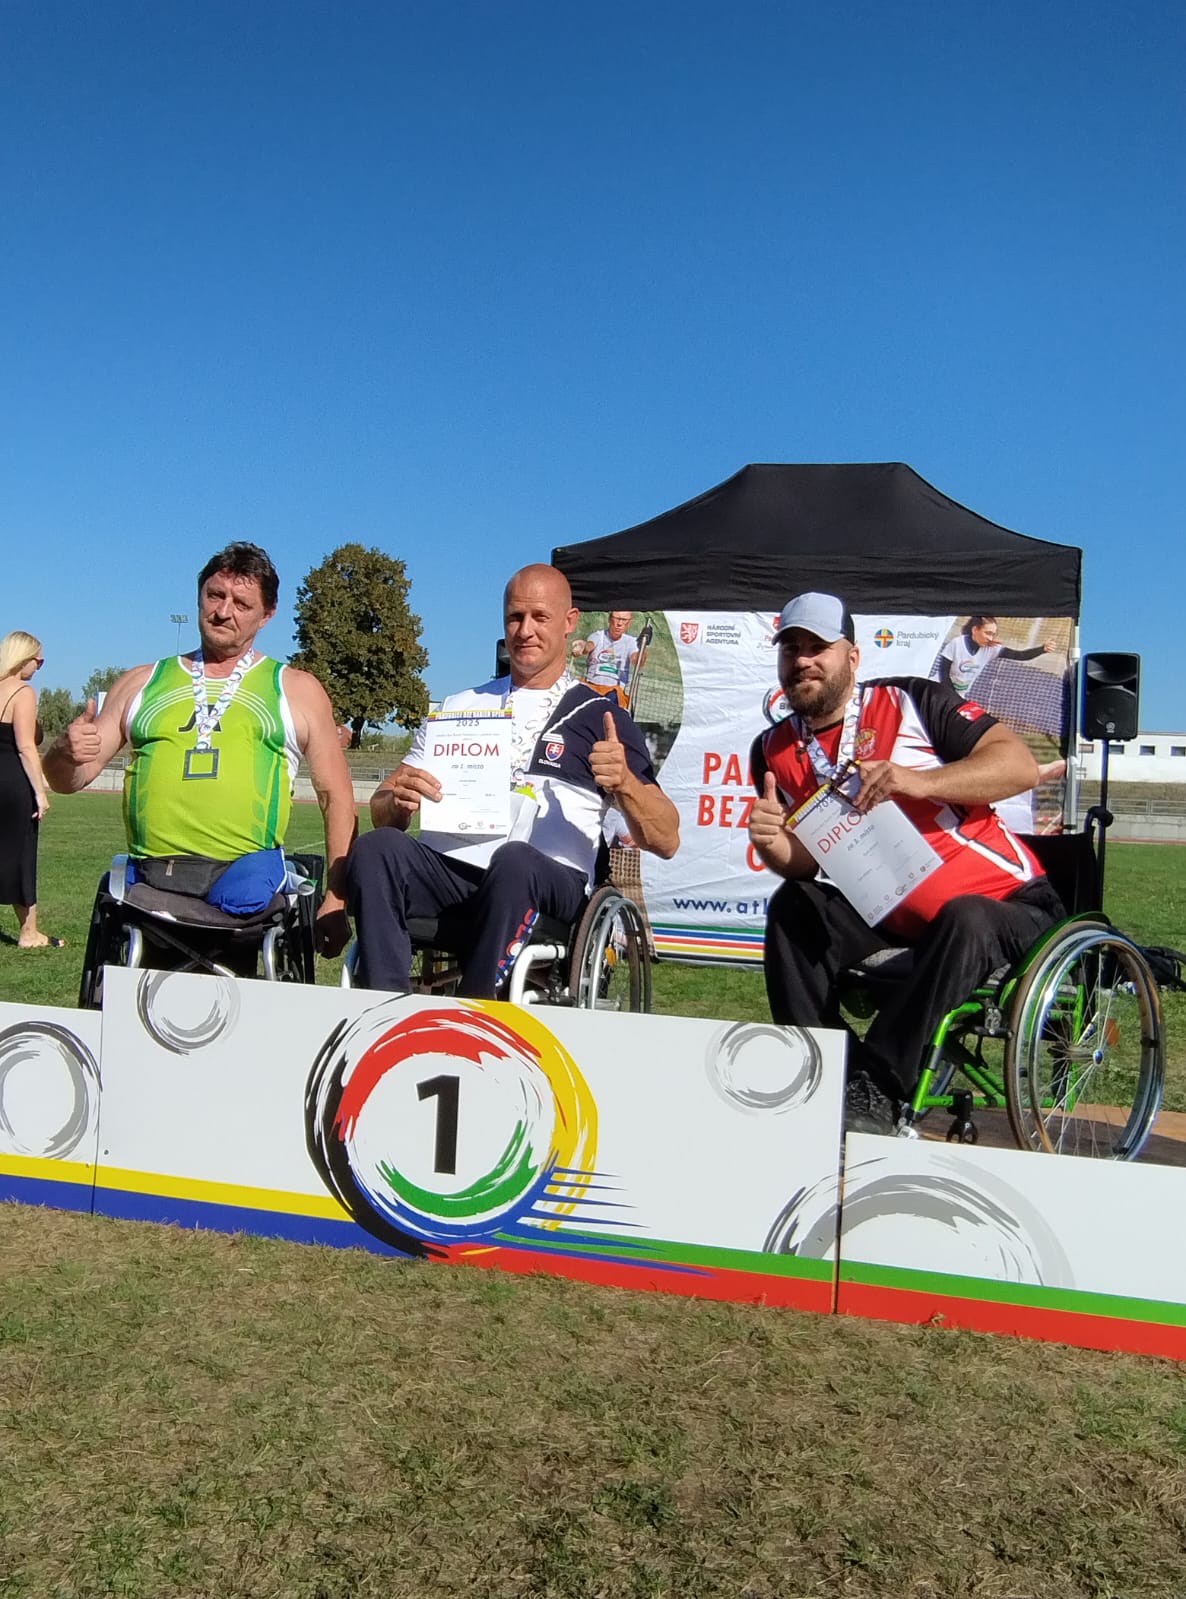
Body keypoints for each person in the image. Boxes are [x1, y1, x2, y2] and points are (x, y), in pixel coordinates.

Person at [747, 591, 1064, 1133]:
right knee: (793, 904)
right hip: (891, 917)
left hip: (1010, 908)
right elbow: (806, 861)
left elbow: (1018, 767)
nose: (802, 660)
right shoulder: (772, 750)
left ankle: (883, 1084)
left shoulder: (912, 701)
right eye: (791, 648)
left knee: (964, 914)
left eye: (818, 647)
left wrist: (919, 781)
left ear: (852, 657)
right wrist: (775, 846)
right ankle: (833, 1072)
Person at [346, 564, 678, 996]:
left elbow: (667, 839)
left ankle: (474, 1012)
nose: (525, 631)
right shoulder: (459, 706)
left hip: (545, 880)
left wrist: (626, 784)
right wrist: (396, 800)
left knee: (515, 861)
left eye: (540, 617)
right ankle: (386, 1008)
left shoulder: (601, 715)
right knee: (377, 848)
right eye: (515, 618)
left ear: (570, 622)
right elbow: (383, 812)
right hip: (453, 872)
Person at [44, 543, 355, 955]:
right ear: (199, 596)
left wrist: (336, 898)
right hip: (152, 877)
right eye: (215, 595)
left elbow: (336, 797)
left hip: (246, 879)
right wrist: (62, 752)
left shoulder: (296, 689)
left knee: (248, 897)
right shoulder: (141, 682)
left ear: (267, 614)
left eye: (242, 603)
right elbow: (68, 780)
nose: (223, 611)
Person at [0, 631, 62, 949]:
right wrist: (40, 793)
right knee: (22, 853)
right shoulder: (22, 692)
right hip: (12, 783)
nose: (39, 667)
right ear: (24, 658)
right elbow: (26, 747)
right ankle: (29, 932)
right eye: (39, 661)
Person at [933, 615, 1059, 699]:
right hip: (938, 689)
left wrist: (1042, 649)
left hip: (958, 696)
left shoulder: (991, 649)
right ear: (975, 629)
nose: (990, 638)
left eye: (993, 634)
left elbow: (1020, 655)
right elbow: (943, 673)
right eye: (987, 633)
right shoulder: (957, 643)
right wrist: (953, 698)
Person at [571, 609, 639, 706]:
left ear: (630, 622)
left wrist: (641, 653)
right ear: (610, 619)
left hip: (614, 691)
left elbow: (636, 659)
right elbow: (589, 646)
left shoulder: (631, 642)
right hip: (593, 685)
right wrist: (583, 646)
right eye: (617, 618)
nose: (619, 623)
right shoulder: (598, 636)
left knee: (612, 697)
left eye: (624, 620)